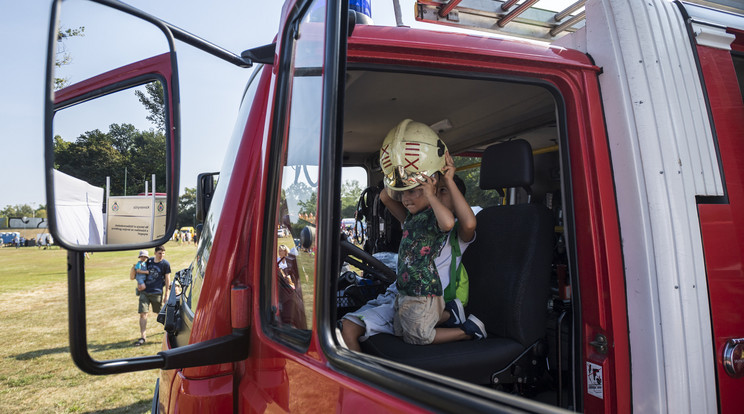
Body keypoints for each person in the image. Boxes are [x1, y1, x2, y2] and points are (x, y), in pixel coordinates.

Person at [342, 171, 481, 351]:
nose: (434, 192)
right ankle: (448, 316)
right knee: (349, 325)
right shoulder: (415, 221)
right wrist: (403, 169)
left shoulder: (456, 233)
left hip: (424, 297)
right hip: (399, 294)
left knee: (349, 328)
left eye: (442, 190)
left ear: (457, 198)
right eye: (429, 188)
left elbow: (469, 224)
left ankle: (465, 329)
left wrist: (444, 181)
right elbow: (385, 195)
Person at [134, 245, 170, 346]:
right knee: (143, 313)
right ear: (155, 253)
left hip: (157, 293)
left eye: (163, 253)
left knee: (161, 315)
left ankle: (169, 333)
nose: (161, 255)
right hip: (145, 292)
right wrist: (139, 283)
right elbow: (138, 272)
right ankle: (143, 337)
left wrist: (166, 294)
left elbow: (167, 279)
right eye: (159, 253)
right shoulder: (148, 261)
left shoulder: (165, 264)